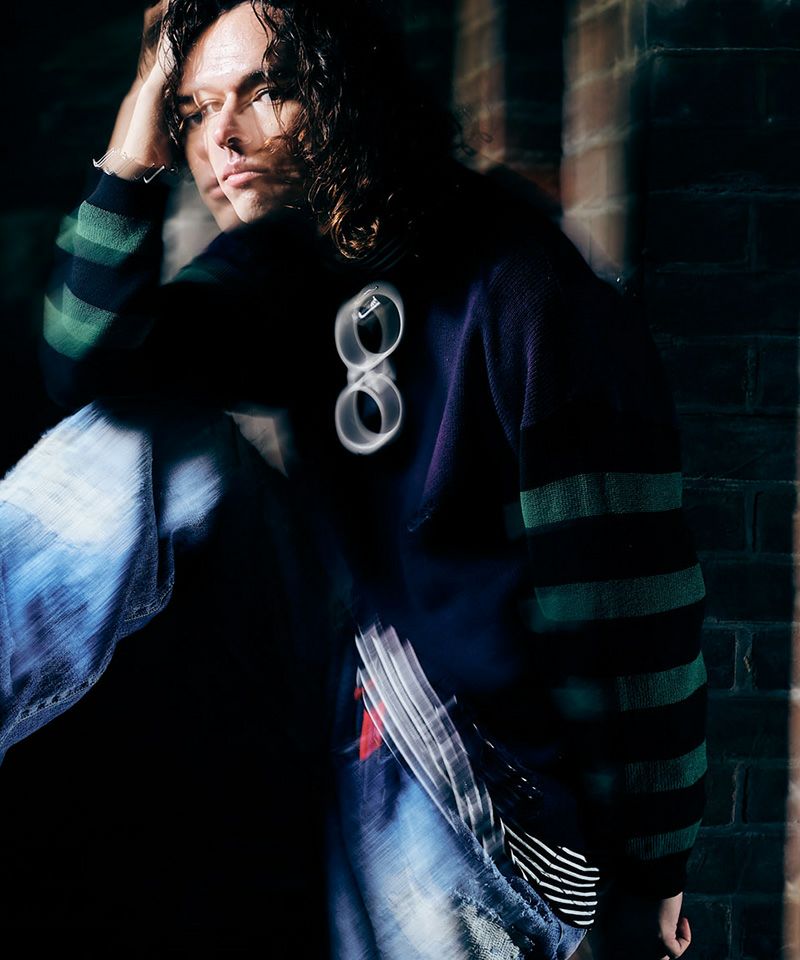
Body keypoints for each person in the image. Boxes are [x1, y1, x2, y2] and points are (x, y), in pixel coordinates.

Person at [7, 1, 706, 956]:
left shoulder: (520, 283)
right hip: (355, 694)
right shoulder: (285, 271)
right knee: (133, 426)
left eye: (264, 91)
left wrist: (654, 872)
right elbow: (85, 362)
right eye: (196, 110)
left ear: (346, 92)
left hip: (489, 784)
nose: (221, 138)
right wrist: (136, 134)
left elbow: (632, 601)